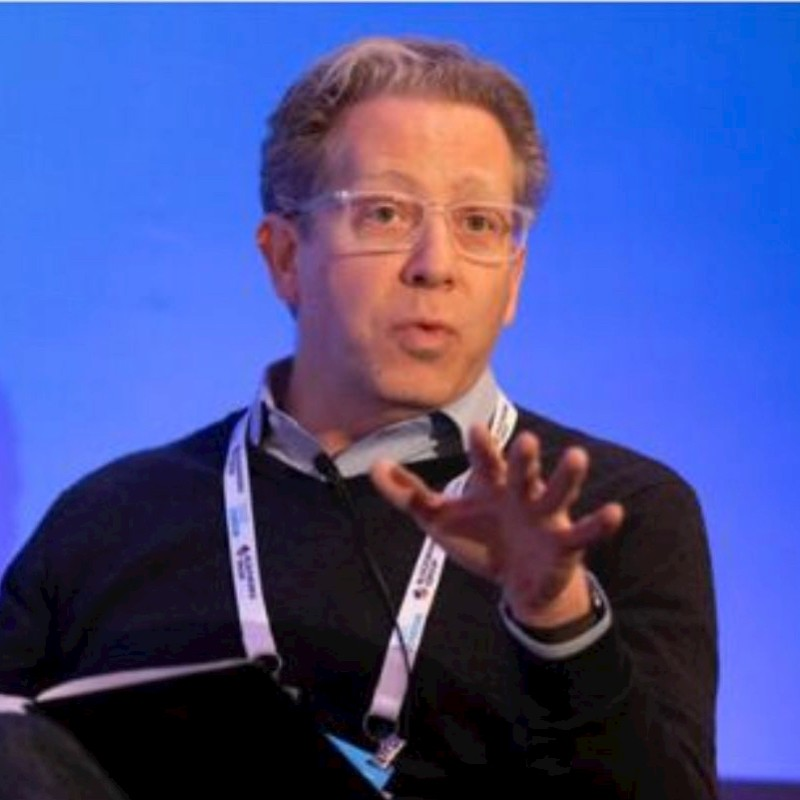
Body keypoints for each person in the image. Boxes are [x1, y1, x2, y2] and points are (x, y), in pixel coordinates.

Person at [0, 36, 718, 798]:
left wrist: (557, 617)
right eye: (384, 212)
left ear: (513, 280)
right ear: (284, 256)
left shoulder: (613, 515)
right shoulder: (111, 518)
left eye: (479, 223)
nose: (435, 264)